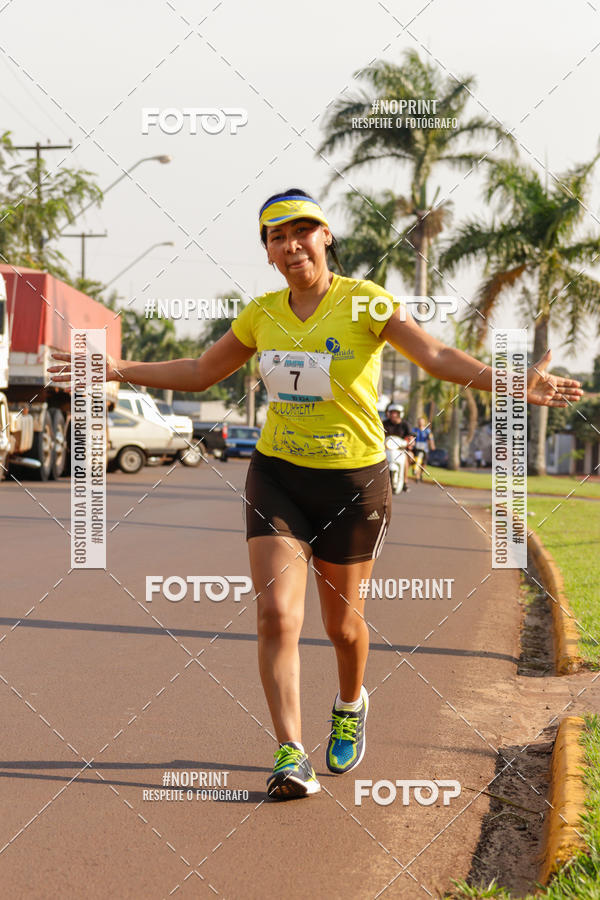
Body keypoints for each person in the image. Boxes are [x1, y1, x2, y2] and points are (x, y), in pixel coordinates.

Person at [49, 187, 583, 802]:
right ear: (269, 252)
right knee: (277, 614)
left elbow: (434, 354)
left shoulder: (367, 303)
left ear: (325, 237)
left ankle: (351, 702)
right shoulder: (262, 314)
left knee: (342, 626)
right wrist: (118, 370)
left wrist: (512, 381)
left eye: (303, 230)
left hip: (354, 482)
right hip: (277, 474)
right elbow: (200, 371)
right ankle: (289, 752)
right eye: (278, 236)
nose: (292, 243)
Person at [381, 403, 413, 491]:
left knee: (408, 458)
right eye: (391, 412)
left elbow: (411, 436)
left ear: (400, 414)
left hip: (401, 450)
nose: (393, 415)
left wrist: (410, 442)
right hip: (386, 449)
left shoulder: (405, 424)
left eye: (396, 413)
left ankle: (405, 482)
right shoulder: (384, 423)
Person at [411, 416, 435, 482]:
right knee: (416, 461)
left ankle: (421, 473)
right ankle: (417, 476)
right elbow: (411, 437)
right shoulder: (414, 430)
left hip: (425, 449)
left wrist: (432, 445)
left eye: (422, 421)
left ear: (424, 422)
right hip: (416, 448)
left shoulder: (427, 431)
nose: (420, 423)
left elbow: (431, 439)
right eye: (419, 421)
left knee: (424, 463)